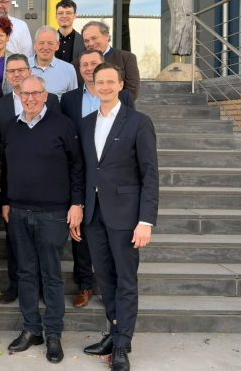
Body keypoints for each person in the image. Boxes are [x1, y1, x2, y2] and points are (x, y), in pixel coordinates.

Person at [80, 62, 158, 371]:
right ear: (94, 85)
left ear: (121, 85)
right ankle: (114, 333)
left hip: (126, 215)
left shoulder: (138, 122)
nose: (105, 86)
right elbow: (86, 170)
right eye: (100, 82)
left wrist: (145, 221)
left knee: (125, 279)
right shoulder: (86, 123)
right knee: (105, 278)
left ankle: (123, 344)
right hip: (94, 214)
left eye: (111, 81)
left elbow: (150, 174)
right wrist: (79, 206)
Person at [1, 75, 84, 364]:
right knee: (25, 272)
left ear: (46, 95)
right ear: (19, 95)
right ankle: (31, 329)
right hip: (19, 212)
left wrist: (77, 203)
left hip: (53, 213)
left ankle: (53, 334)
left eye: (36, 93)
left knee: (51, 275)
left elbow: (77, 167)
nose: (31, 98)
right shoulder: (11, 127)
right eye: (26, 94)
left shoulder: (63, 125)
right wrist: (6, 201)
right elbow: (4, 167)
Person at [59, 49, 134, 309]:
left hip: (114, 186)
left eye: (94, 63)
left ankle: (111, 290)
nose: (89, 68)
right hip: (83, 178)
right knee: (82, 238)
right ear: (79, 70)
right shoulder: (69, 99)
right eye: (84, 64)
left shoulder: (125, 101)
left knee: (114, 250)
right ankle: (85, 284)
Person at [0, 53, 60, 304]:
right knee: (14, 241)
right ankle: (15, 286)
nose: (16, 74)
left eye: (21, 70)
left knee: (42, 244)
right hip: (13, 184)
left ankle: (41, 288)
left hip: (45, 190)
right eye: (11, 71)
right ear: (7, 76)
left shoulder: (50, 101)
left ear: (30, 71)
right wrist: (4, 196)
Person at [81, 21, 141, 99]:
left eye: (94, 38)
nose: (91, 43)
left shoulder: (126, 58)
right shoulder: (78, 63)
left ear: (107, 36)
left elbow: (131, 92)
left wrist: (108, 104)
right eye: (86, 41)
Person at [29, 26, 78, 97]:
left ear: (57, 46)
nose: (45, 47)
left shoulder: (69, 70)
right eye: (41, 43)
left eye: (50, 43)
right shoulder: (23, 67)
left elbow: (73, 99)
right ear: (35, 45)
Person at [55, 0, 85, 64]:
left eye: (68, 13)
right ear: (56, 16)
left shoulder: (83, 41)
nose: (64, 16)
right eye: (60, 13)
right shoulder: (49, 40)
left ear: (75, 16)